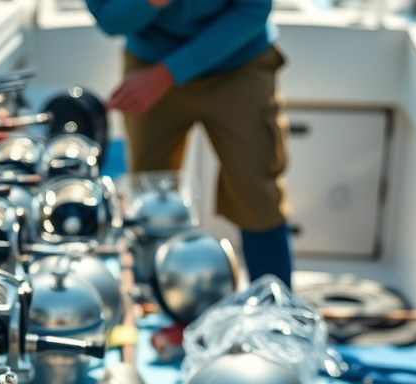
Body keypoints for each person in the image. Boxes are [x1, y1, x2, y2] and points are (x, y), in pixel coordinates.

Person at [86, 0, 294, 287]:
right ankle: (152, 302)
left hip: (239, 61)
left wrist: (167, 74)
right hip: (149, 63)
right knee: (149, 201)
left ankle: (275, 309)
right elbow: (110, 20)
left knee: (256, 193)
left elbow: (253, 9)